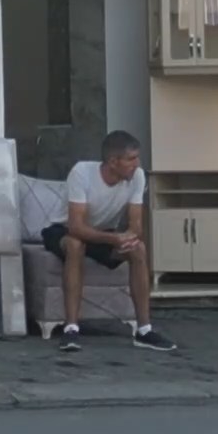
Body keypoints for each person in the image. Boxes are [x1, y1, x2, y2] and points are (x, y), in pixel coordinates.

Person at [42, 130, 172, 351]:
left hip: (103, 232)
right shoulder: (82, 172)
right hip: (62, 230)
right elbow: (76, 226)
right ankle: (71, 329)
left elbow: (136, 226)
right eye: (131, 159)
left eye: (137, 158)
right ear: (113, 161)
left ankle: (144, 330)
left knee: (138, 249)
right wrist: (113, 238)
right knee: (75, 244)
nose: (137, 164)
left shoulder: (137, 176)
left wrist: (127, 238)